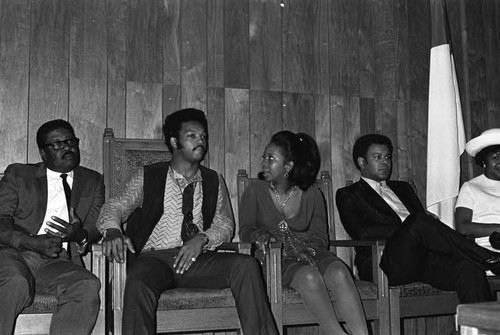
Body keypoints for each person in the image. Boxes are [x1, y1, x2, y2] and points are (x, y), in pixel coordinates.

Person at [97, 108, 278, 335]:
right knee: (138, 280)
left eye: (203, 136)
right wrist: (113, 230)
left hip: (198, 260)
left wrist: (202, 239)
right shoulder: (147, 175)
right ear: (174, 141)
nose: (200, 141)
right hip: (155, 259)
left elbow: (225, 224)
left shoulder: (214, 179)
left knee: (246, 265)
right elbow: (114, 206)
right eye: (192, 136)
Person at [336, 133, 500, 304]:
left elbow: (423, 228)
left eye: (387, 157)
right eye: (377, 157)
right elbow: (361, 232)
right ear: (362, 162)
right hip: (384, 262)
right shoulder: (349, 194)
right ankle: (488, 258)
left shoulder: (403, 188)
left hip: (422, 259)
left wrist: (422, 226)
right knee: (418, 222)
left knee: (469, 267)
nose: (385, 162)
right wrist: (409, 227)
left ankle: (479, 328)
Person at [239, 130, 368, 335]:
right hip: (273, 259)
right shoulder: (255, 190)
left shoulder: (312, 193)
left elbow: (320, 236)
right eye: (264, 157)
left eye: (271, 158)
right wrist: (258, 235)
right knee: (309, 276)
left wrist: (307, 249)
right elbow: (245, 230)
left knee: (340, 272)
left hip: (311, 252)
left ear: (288, 166)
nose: (264, 162)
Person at [0, 119, 104, 335]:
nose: (67, 147)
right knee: (15, 281)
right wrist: (31, 242)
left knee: (86, 284)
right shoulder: (19, 174)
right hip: (13, 254)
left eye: (70, 141)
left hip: (57, 262)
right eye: (57, 144)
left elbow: (95, 228)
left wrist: (80, 234)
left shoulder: (93, 180)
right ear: (43, 153)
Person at [455, 128, 500, 251]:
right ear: (484, 161)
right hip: (487, 251)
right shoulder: (471, 187)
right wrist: (498, 228)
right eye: (495, 157)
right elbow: (462, 227)